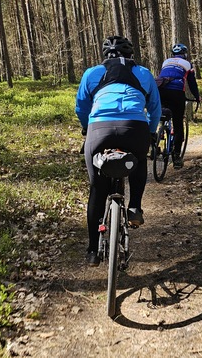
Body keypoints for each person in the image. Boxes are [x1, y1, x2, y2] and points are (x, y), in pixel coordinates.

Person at [75, 36, 161, 266]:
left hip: (99, 129)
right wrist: (150, 132)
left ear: (105, 56)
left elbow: (81, 107)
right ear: (130, 55)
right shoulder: (143, 73)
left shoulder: (92, 73)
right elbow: (154, 107)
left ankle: (93, 250)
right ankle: (134, 207)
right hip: (134, 127)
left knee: (97, 189)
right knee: (139, 160)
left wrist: (87, 128)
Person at [156, 43, 200, 169]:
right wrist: (197, 97)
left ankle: (157, 139)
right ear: (185, 54)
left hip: (161, 90)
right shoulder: (187, 64)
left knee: (162, 114)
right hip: (176, 92)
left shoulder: (166, 62)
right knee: (178, 123)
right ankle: (176, 157)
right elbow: (192, 83)